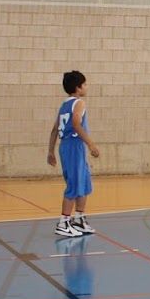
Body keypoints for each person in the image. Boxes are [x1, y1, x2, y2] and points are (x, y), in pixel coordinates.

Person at [47, 70, 100, 238]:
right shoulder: (79, 103)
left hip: (69, 146)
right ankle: (63, 222)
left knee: (83, 183)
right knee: (74, 185)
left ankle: (79, 218)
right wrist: (91, 144)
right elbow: (77, 124)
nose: (86, 87)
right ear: (78, 88)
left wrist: (50, 151)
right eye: (84, 84)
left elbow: (55, 129)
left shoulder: (64, 105)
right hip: (73, 146)